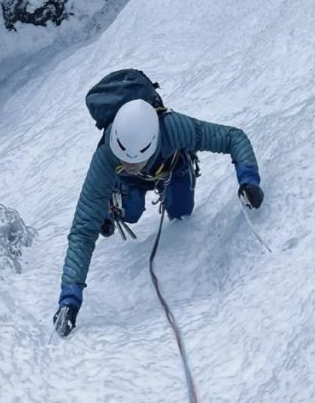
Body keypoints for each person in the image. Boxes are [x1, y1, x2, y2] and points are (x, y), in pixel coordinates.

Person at [52, 98, 263, 336]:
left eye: (134, 161)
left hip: (173, 166)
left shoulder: (173, 128)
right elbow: (82, 229)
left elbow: (233, 137)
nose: (129, 164)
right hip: (128, 183)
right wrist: (69, 299)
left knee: (182, 213)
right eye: (124, 160)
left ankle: (162, 185)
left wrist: (249, 181)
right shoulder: (107, 156)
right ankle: (111, 205)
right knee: (130, 213)